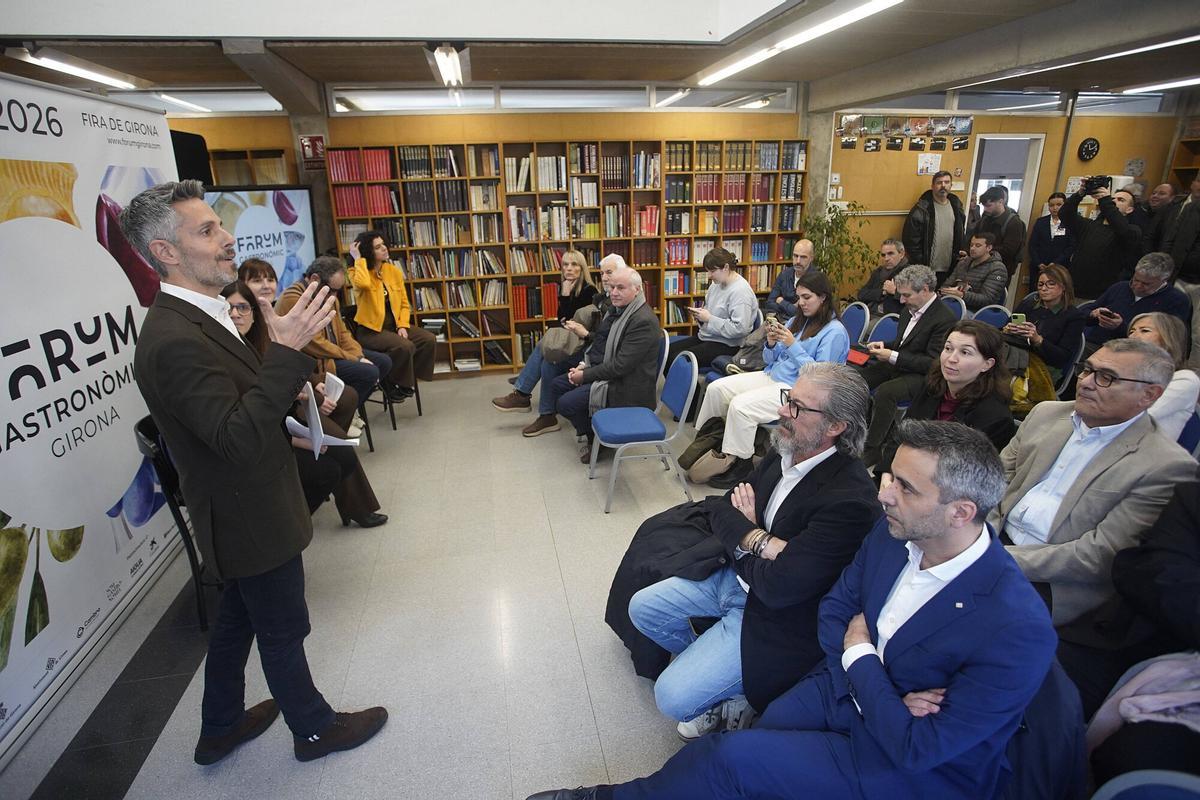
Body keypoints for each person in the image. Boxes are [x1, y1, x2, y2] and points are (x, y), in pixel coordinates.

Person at [527, 421, 1057, 800]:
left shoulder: (1018, 626)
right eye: (889, 475)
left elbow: (919, 748)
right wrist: (868, 672)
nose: (884, 492)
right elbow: (835, 612)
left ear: (961, 511)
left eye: (904, 486)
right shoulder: (893, 535)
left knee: (726, 758)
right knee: (762, 737)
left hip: (906, 761)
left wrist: (863, 660)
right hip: (847, 691)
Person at [121, 180, 386, 765]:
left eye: (221, 225)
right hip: (247, 513)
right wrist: (287, 352)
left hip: (245, 507)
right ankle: (314, 729)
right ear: (166, 252)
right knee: (283, 628)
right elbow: (237, 439)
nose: (227, 239)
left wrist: (282, 370)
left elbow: (235, 410)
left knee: (237, 623)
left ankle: (218, 726)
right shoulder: (173, 340)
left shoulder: (201, 319)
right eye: (207, 230)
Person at [626, 363, 879, 740]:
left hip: (772, 612)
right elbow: (724, 508)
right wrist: (760, 540)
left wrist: (745, 536)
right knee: (642, 607)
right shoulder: (786, 449)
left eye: (797, 407)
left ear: (836, 426)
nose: (781, 411)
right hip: (734, 577)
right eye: (787, 399)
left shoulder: (850, 501)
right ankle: (726, 686)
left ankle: (735, 687)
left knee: (670, 697)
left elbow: (781, 587)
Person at [991, 338, 1197, 626]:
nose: (1085, 382)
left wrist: (992, 558)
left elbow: (1097, 556)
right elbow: (994, 484)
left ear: (1149, 395)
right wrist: (973, 539)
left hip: (1053, 581)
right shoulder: (1046, 414)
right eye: (1087, 370)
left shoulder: (1164, 465)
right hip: (991, 539)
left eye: (1106, 378)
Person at [222, 281, 386, 528]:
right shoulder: (227, 348)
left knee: (346, 398)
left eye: (242, 308)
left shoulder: (261, 334)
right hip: (276, 419)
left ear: (253, 312)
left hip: (289, 404)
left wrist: (311, 385)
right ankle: (332, 481)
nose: (236, 314)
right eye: (229, 308)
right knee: (338, 440)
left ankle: (327, 446)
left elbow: (290, 364)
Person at [1055, 464, 1200, 721]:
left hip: (1157, 642)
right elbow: (1159, 576)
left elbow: (1096, 554)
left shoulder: (1164, 464)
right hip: (1137, 628)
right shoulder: (1192, 498)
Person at [692, 270, 850, 488]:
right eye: (799, 297)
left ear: (823, 297)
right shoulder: (798, 321)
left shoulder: (835, 332)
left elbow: (819, 378)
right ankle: (708, 443)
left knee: (740, 407)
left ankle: (741, 464)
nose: (800, 303)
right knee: (716, 389)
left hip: (799, 391)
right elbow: (770, 360)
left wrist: (792, 345)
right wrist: (771, 343)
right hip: (773, 376)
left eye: (807, 298)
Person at [540, 267, 662, 462]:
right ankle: (592, 431)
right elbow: (601, 346)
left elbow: (620, 366)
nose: (614, 292)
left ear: (637, 289)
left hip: (628, 387)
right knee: (557, 386)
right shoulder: (617, 311)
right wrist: (584, 364)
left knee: (566, 403)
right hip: (615, 375)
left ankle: (600, 441)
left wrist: (586, 375)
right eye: (612, 287)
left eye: (620, 287)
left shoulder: (642, 320)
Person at [877, 320, 1013, 475]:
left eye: (965, 352)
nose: (951, 358)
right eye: (948, 348)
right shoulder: (932, 386)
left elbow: (965, 476)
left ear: (987, 364)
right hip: (907, 472)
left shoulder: (995, 417)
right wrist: (886, 473)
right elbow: (902, 435)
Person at [493, 252, 616, 420]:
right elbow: (562, 319)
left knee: (546, 350)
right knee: (546, 352)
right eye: (565, 265)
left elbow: (576, 321)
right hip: (573, 337)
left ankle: (523, 390)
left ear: (582, 268)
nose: (569, 269)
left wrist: (565, 299)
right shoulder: (567, 286)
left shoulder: (590, 291)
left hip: (581, 342)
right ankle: (528, 394)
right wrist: (564, 295)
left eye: (574, 265)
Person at [857, 265, 957, 468]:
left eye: (907, 295)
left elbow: (932, 362)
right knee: (857, 379)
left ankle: (873, 448)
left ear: (926, 290)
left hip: (923, 376)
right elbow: (905, 341)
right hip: (901, 365)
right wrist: (885, 345)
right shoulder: (908, 309)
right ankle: (857, 430)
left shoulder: (944, 319)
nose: (901, 300)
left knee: (886, 392)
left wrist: (893, 355)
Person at [276, 256, 391, 421]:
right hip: (316, 361)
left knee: (383, 362)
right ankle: (342, 415)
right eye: (332, 289)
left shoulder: (329, 298)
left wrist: (358, 356)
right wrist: (355, 359)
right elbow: (314, 344)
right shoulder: (294, 299)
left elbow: (343, 333)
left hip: (333, 353)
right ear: (314, 279)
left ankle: (349, 410)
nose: (335, 295)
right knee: (369, 372)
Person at [347, 229, 436, 400]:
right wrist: (358, 259)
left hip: (394, 326)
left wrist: (402, 325)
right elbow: (363, 284)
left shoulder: (392, 271)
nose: (384, 249)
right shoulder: (356, 272)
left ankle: (401, 380)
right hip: (371, 331)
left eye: (384, 245)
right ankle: (394, 383)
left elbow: (404, 302)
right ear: (368, 252)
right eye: (378, 247)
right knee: (405, 346)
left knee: (428, 340)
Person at [1079, 252, 1191, 355]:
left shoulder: (1176, 300)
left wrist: (1121, 327)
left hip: (1134, 353)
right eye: (1136, 279)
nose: (1137, 286)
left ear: (1164, 279)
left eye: (1146, 284)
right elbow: (1082, 313)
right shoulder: (1120, 287)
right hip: (1095, 343)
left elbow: (1165, 339)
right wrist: (1093, 314)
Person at [667, 247, 759, 368]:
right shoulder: (716, 285)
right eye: (708, 271)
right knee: (668, 353)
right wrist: (700, 317)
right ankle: (682, 386)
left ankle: (692, 387)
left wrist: (709, 319)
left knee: (679, 360)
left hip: (729, 345)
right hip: (709, 337)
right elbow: (709, 313)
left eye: (712, 271)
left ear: (726, 267)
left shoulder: (741, 292)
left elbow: (740, 329)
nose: (709, 275)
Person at [1005, 264, 1088, 384]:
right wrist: (1007, 329)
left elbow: (1062, 358)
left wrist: (1038, 340)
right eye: (1041, 284)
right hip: (1016, 356)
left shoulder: (1074, 316)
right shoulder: (1028, 305)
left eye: (1051, 284)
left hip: (1044, 367)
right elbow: (1004, 327)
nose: (1044, 288)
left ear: (1063, 286)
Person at [1060, 183, 1142, 300]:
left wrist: (1106, 201)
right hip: (1073, 291)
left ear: (1130, 209)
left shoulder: (1132, 231)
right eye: (1113, 198)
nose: (1114, 201)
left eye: (1121, 200)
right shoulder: (1089, 225)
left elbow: (1120, 225)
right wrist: (1080, 194)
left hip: (1101, 296)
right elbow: (1065, 214)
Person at [1127, 311, 1200, 440]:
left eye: (1144, 331)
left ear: (1168, 339)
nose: (1133, 336)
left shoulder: (1185, 379)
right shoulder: (1126, 372)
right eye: (1131, 331)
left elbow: (1135, 418)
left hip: (1143, 453)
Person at [1162, 177, 1200, 368]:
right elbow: (1171, 239)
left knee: (1197, 333)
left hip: (1198, 285)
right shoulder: (1190, 209)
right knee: (1170, 327)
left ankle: (1193, 375)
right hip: (1178, 277)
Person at [901, 171, 966, 281]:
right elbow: (910, 240)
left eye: (947, 182)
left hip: (950, 267)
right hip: (926, 268)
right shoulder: (921, 209)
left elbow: (960, 233)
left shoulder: (957, 207)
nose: (943, 186)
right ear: (932, 186)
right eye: (939, 182)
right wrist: (920, 262)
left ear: (951, 185)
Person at [939, 232, 1009, 312]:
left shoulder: (997, 269)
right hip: (953, 304)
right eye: (971, 245)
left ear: (989, 248)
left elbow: (988, 299)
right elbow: (946, 285)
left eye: (978, 246)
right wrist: (944, 291)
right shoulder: (963, 263)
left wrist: (962, 295)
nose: (972, 248)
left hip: (976, 312)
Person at [969, 185, 1026, 278]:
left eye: (989, 206)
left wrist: (983, 251)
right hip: (980, 268)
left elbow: (1009, 250)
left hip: (1001, 270)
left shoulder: (1014, 223)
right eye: (984, 206)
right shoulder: (985, 219)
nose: (985, 209)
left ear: (1001, 202)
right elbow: (974, 238)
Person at [1026, 192, 1075, 294]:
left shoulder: (1070, 223)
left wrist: (1055, 263)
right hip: (1039, 267)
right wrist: (1039, 263)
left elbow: (1071, 247)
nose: (1055, 208)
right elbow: (1032, 245)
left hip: (1059, 267)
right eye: (1051, 205)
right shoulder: (1041, 222)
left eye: (1058, 205)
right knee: (1035, 295)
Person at [855, 238, 909, 321]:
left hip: (891, 319)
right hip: (869, 313)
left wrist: (895, 292)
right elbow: (861, 294)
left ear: (901, 254)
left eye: (890, 254)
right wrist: (882, 293)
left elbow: (918, 301)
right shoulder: (879, 272)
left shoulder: (910, 273)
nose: (886, 258)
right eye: (883, 255)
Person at [764, 238, 817, 317]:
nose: (798, 261)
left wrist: (781, 301)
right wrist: (791, 307)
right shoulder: (784, 274)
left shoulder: (816, 279)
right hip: (781, 320)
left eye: (803, 257)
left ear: (811, 258)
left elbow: (801, 313)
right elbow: (770, 303)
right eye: (795, 256)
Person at [1138, 182, 1178, 253]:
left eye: (1162, 193)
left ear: (1172, 198)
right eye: (1153, 193)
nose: (1155, 196)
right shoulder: (1140, 211)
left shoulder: (1174, 219)